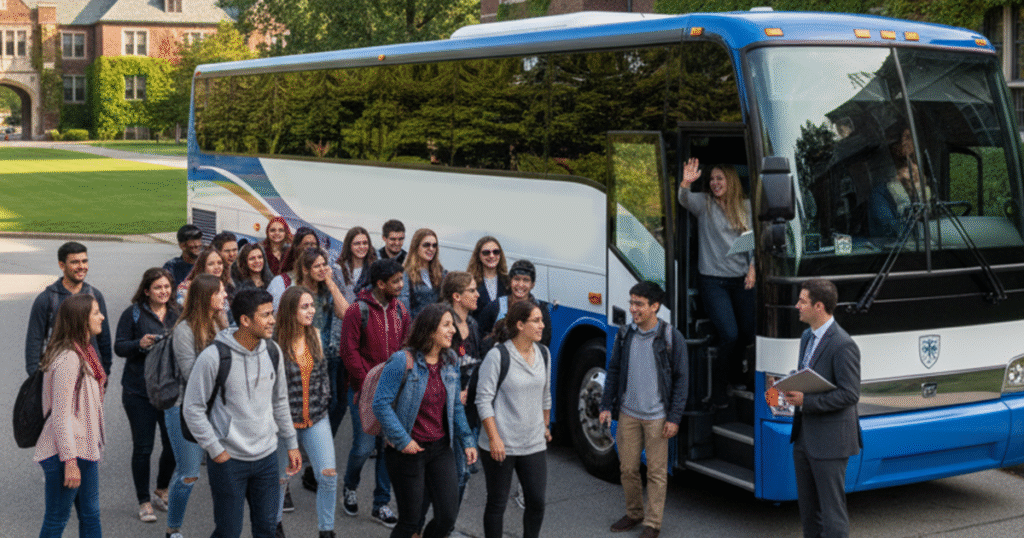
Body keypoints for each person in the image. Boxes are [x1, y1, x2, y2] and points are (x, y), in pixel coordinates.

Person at [183, 289, 301, 538]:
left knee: (267, 529)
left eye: (272, 313)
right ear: (245, 320)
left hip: (267, 457)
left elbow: (280, 401)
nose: (273, 320)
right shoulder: (214, 356)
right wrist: (216, 450)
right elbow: (192, 408)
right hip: (229, 460)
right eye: (265, 315)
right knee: (228, 532)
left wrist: (291, 443)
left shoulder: (273, 351)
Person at [373, 303, 478, 538]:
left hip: (441, 448)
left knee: (447, 517)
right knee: (410, 522)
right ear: (431, 330)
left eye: (453, 325)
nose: (453, 330)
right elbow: (380, 403)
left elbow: (454, 407)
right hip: (408, 451)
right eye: (447, 325)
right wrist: (402, 440)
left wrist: (467, 440)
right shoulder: (402, 360)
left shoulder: (450, 360)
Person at [598, 281, 688, 538]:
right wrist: (606, 405)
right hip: (628, 413)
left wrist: (674, 417)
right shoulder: (625, 334)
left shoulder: (671, 337)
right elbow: (613, 370)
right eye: (631, 303)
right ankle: (634, 512)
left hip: (657, 418)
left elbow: (682, 379)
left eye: (639, 304)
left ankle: (653, 523)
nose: (633, 309)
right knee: (627, 468)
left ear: (655, 306)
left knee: (657, 473)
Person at [781, 279, 862, 538]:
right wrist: (787, 386)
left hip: (831, 442)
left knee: (832, 513)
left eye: (802, 301)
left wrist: (807, 401)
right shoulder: (807, 337)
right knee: (808, 512)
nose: (797, 306)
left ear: (819, 306)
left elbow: (850, 394)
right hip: (804, 437)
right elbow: (810, 376)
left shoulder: (843, 344)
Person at [339, 259, 411, 528]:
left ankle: (381, 503)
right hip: (363, 392)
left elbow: (406, 347)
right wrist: (367, 384)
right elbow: (349, 351)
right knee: (364, 446)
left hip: (393, 394)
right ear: (380, 284)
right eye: (396, 282)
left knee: (388, 449)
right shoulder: (357, 311)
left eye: (402, 280)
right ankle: (350, 485)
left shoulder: (401, 311)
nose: (401, 286)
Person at [678, 158, 755, 404]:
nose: (714, 183)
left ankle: (737, 376)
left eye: (719, 179)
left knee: (748, 332)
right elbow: (684, 199)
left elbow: (753, 241)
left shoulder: (746, 207)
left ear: (730, 181)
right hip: (713, 282)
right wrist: (686, 182)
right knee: (730, 334)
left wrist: (753, 268)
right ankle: (720, 388)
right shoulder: (705, 205)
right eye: (711, 179)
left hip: (741, 279)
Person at [476, 301, 552, 538]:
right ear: (520, 325)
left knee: (537, 502)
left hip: (533, 443)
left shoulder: (544, 353)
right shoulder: (498, 356)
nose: (542, 326)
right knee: (497, 503)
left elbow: (545, 395)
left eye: (542, 320)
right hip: (501, 444)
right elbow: (482, 400)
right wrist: (494, 438)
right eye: (536, 321)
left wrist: (545, 426)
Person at [34, 294, 107, 538]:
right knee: (57, 518)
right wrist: (70, 461)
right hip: (66, 454)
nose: (102, 317)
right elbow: (60, 415)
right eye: (95, 313)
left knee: (91, 515)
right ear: (80, 320)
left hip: (85, 450)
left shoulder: (85, 351)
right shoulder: (68, 358)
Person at [114, 268, 180, 523]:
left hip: (169, 390)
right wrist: (138, 344)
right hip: (138, 391)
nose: (163, 292)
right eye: (158, 288)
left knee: (174, 444)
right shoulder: (132, 314)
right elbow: (119, 346)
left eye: (167, 287)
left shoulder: (178, 313)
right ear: (146, 291)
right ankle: (144, 502)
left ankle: (161, 489)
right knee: (143, 448)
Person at [165, 273, 228, 538]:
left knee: (225, 473)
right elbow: (191, 374)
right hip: (185, 409)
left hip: (217, 408)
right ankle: (173, 528)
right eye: (221, 292)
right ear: (207, 297)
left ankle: (225, 528)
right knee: (189, 474)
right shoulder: (184, 329)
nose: (225, 296)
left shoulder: (219, 323)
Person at [274, 286, 338, 538]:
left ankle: (326, 531)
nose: (311, 311)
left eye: (312, 305)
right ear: (290, 310)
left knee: (328, 475)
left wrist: (322, 402)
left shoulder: (317, 337)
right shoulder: (274, 343)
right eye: (304, 306)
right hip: (284, 424)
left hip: (316, 419)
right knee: (280, 480)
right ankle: (275, 526)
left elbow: (323, 378)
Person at [25, 241, 112, 377]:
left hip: (90, 374)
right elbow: (34, 341)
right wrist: (35, 377)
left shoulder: (95, 296)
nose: (81, 266)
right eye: (75, 262)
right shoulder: (46, 299)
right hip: (57, 374)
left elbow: (104, 338)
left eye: (84, 261)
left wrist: (104, 371)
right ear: (62, 265)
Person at [440, 271, 483, 503]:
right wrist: (457, 393)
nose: (477, 294)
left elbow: (476, 362)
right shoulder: (445, 325)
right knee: (459, 473)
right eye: (472, 290)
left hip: (471, 407)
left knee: (464, 473)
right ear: (457, 296)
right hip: (451, 409)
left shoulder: (474, 324)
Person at [476, 259, 552, 347]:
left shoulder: (540, 309)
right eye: (516, 279)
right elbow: (480, 338)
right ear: (510, 281)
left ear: (532, 285)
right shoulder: (496, 306)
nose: (520, 284)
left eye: (526, 280)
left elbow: (544, 342)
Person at [400, 228, 446, 319]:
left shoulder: (441, 273)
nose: (431, 249)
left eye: (434, 245)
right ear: (416, 247)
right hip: (416, 328)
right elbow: (404, 309)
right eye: (426, 245)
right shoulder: (406, 274)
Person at [467, 236, 509, 317]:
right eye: (486, 252)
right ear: (478, 255)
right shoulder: (470, 282)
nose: (492, 256)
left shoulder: (508, 282)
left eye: (496, 252)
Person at [334, 226, 378, 303]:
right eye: (357, 244)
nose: (361, 247)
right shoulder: (338, 268)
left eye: (365, 243)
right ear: (349, 246)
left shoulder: (375, 268)